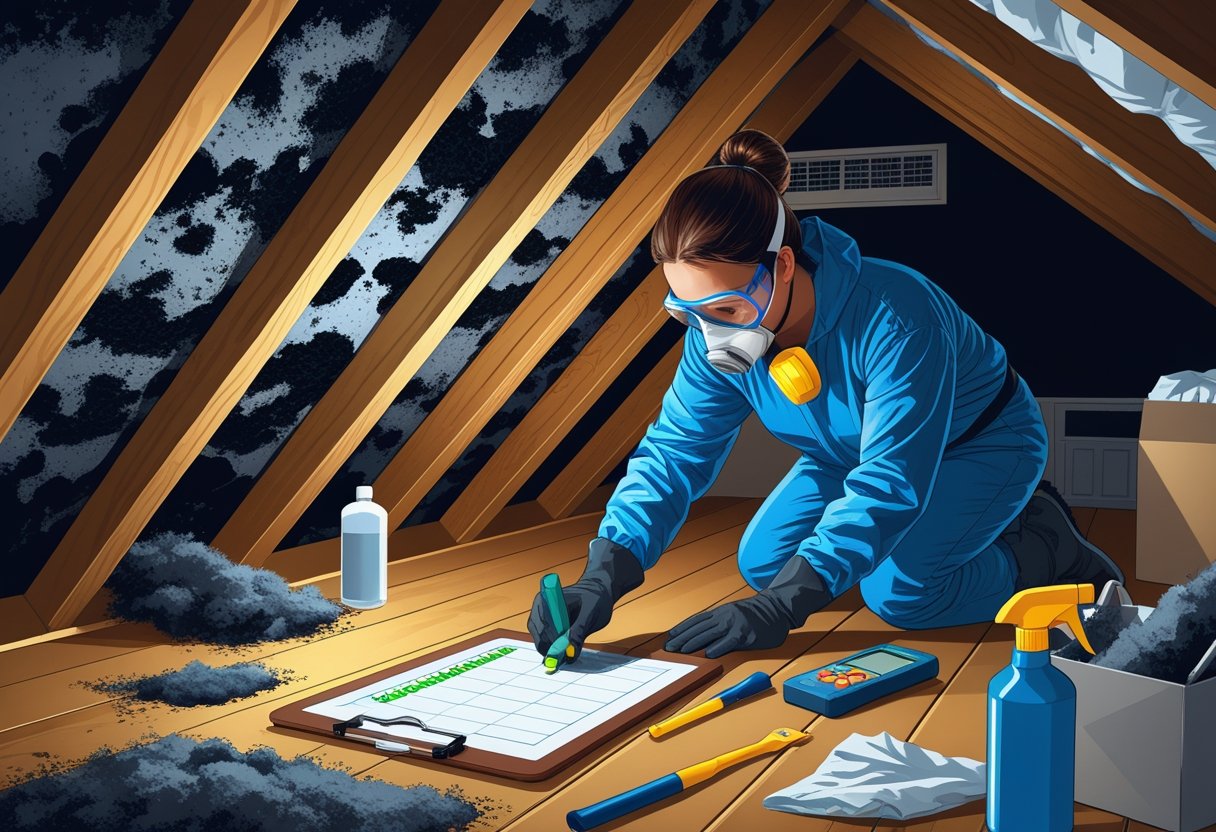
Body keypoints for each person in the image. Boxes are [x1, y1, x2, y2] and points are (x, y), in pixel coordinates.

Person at [529, 129, 1123, 661]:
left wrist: (785, 610)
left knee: (902, 594)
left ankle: (1047, 546)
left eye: (727, 308)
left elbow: (892, 483)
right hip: (845, 456)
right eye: (686, 314)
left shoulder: (898, 316)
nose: (713, 335)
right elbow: (675, 454)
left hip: (980, 445)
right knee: (763, 565)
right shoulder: (717, 335)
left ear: (783, 264)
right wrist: (603, 573)